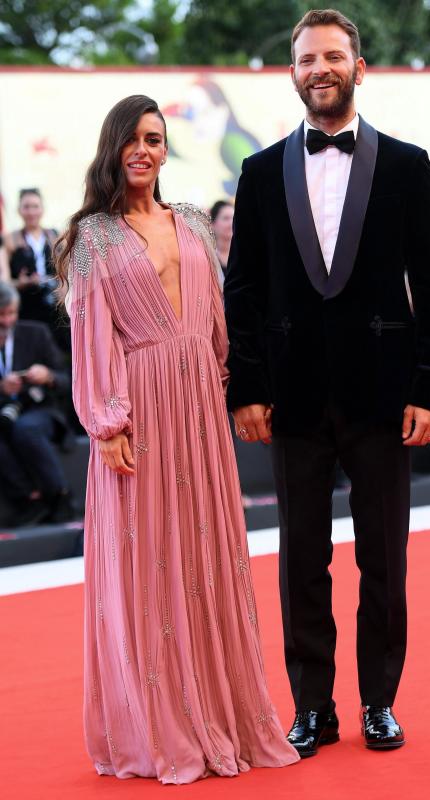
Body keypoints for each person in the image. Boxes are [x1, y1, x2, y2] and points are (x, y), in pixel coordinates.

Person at [224, 9, 430, 755]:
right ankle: (310, 705)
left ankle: (378, 702)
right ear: (291, 72)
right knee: (300, 561)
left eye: (332, 55)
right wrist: (246, 386)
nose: (318, 68)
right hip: (290, 400)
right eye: (305, 58)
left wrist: (429, 389)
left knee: (384, 558)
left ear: (359, 67)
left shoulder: (407, 164)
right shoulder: (259, 173)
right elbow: (244, 291)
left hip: (386, 399)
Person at [55, 95, 298, 784]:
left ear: (166, 150)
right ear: (112, 148)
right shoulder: (91, 236)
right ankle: (160, 724)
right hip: (140, 410)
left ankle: (222, 710)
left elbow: (219, 321)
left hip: (199, 410)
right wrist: (107, 423)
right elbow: (90, 336)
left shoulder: (190, 221)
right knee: (149, 562)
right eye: (131, 139)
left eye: (155, 139)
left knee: (204, 554)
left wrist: (238, 387)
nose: (144, 150)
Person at [0, 281, 74, 526]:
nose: (7, 321)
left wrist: (48, 376)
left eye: (11, 313)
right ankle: (30, 499)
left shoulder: (36, 333)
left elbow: (66, 379)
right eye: (1, 315)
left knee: (26, 428)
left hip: (41, 409)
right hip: (5, 413)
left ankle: (60, 495)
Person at [4, 189, 69, 352]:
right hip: (26, 310)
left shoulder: (55, 236)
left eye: (35, 206)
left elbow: (67, 273)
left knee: (60, 354)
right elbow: (4, 283)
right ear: (19, 210)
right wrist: (22, 282)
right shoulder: (11, 241)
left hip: (54, 310)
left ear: (42, 209)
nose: (31, 212)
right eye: (26, 207)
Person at [210, 199, 234, 278]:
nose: (231, 223)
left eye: (234, 218)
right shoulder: (207, 258)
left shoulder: (246, 255)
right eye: (226, 218)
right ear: (212, 224)